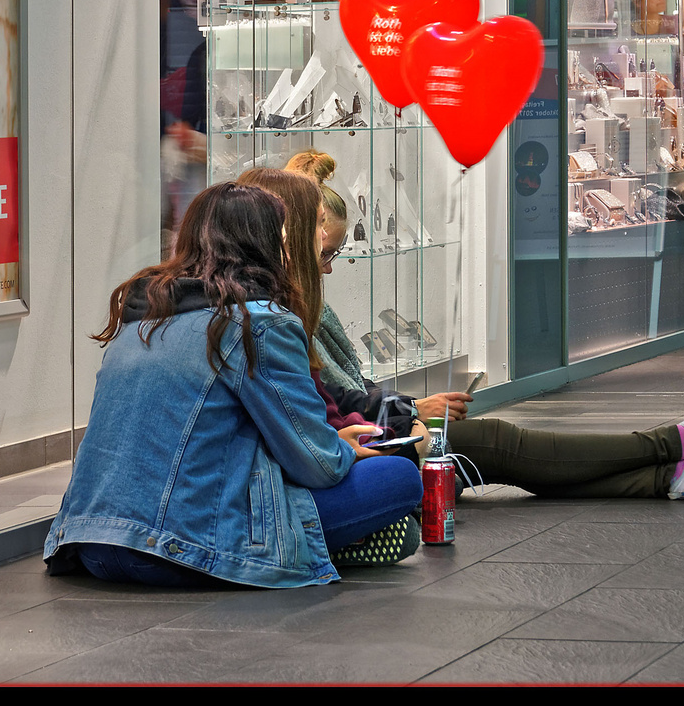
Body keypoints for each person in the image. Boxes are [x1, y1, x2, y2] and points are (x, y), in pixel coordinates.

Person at [284, 149, 684, 502]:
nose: (329, 270)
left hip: (370, 437)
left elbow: (340, 401)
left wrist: (403, 413)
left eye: (335, 255)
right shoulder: (278, 319)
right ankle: (679, 442)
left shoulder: (292, 312)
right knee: (501, 446)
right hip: (366, 446)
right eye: (325, 256)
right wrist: (403, 419)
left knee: (513, 457)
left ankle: (674, 473)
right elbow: (332, 411)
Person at [43, 181, 423, 589]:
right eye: (282, 240)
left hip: (91, 543)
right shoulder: (259, 323)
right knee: (399, 477)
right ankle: (321, 546)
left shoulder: (140, 318)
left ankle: (335, 542)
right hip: (183, 549)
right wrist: (343, 450)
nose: (289, 252)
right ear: (260, 247)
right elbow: (316, 464)